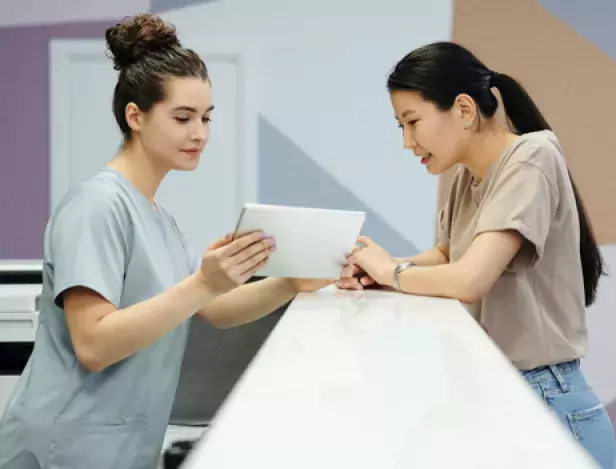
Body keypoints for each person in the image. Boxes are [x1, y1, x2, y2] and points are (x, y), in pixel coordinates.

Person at [0, 14, 329, 469]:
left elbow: (212, 309)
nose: (200, 133)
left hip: (118, 443)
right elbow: (94, 344)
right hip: (66, 443)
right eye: (183, 118)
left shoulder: (158, 218)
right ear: (135, 116)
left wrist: (291, 282)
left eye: (206, 118)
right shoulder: (97, 206)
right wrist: (202, 283)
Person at [336, 41, 616, 468]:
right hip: (500, 392)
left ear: (464, 109)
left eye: (413, 122)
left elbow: (469, 279)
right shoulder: (469, 176)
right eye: (401, 127)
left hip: (545, 400)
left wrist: (392, 271)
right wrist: (382, 267)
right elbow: (448, 256)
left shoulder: (531, 157)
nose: (408, 142)